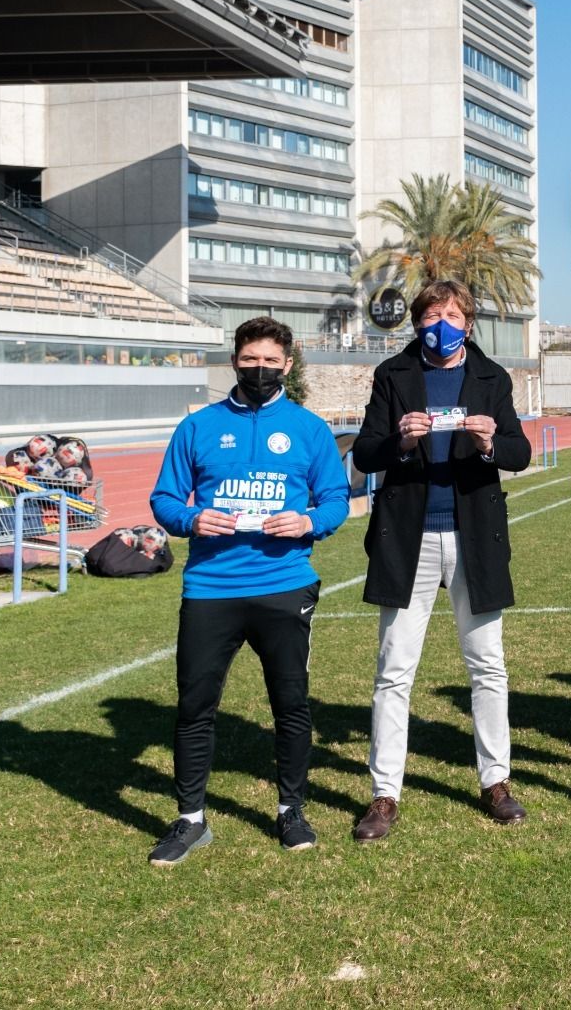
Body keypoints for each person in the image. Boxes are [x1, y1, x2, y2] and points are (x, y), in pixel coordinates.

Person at [147, 317, 349, 865]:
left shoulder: (308, 429)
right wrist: (192, 519)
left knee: (290, 703)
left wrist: (308, 522)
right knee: (195, 706)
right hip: (211, 587)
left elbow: (337, 500)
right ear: (234, 360)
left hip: (285, 587)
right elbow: (164, 499)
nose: (259, 369)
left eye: (270, 361)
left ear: (288, 363)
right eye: (249, 360)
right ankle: (190, 820)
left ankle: (290, 810)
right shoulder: (198, 427)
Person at [350, 280, 533, 841]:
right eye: (432, 314)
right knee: (394, 670)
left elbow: (519, 454)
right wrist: (401, 442)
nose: (442, 323)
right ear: (416, 322)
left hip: (474, 536)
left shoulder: (492, 379)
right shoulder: (392, 376)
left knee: (488, 666)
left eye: (453, 314)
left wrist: (487, 442)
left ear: (469, 323)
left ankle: (495, 781)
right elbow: (363, 453)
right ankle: (385, 794)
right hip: (408, 539)